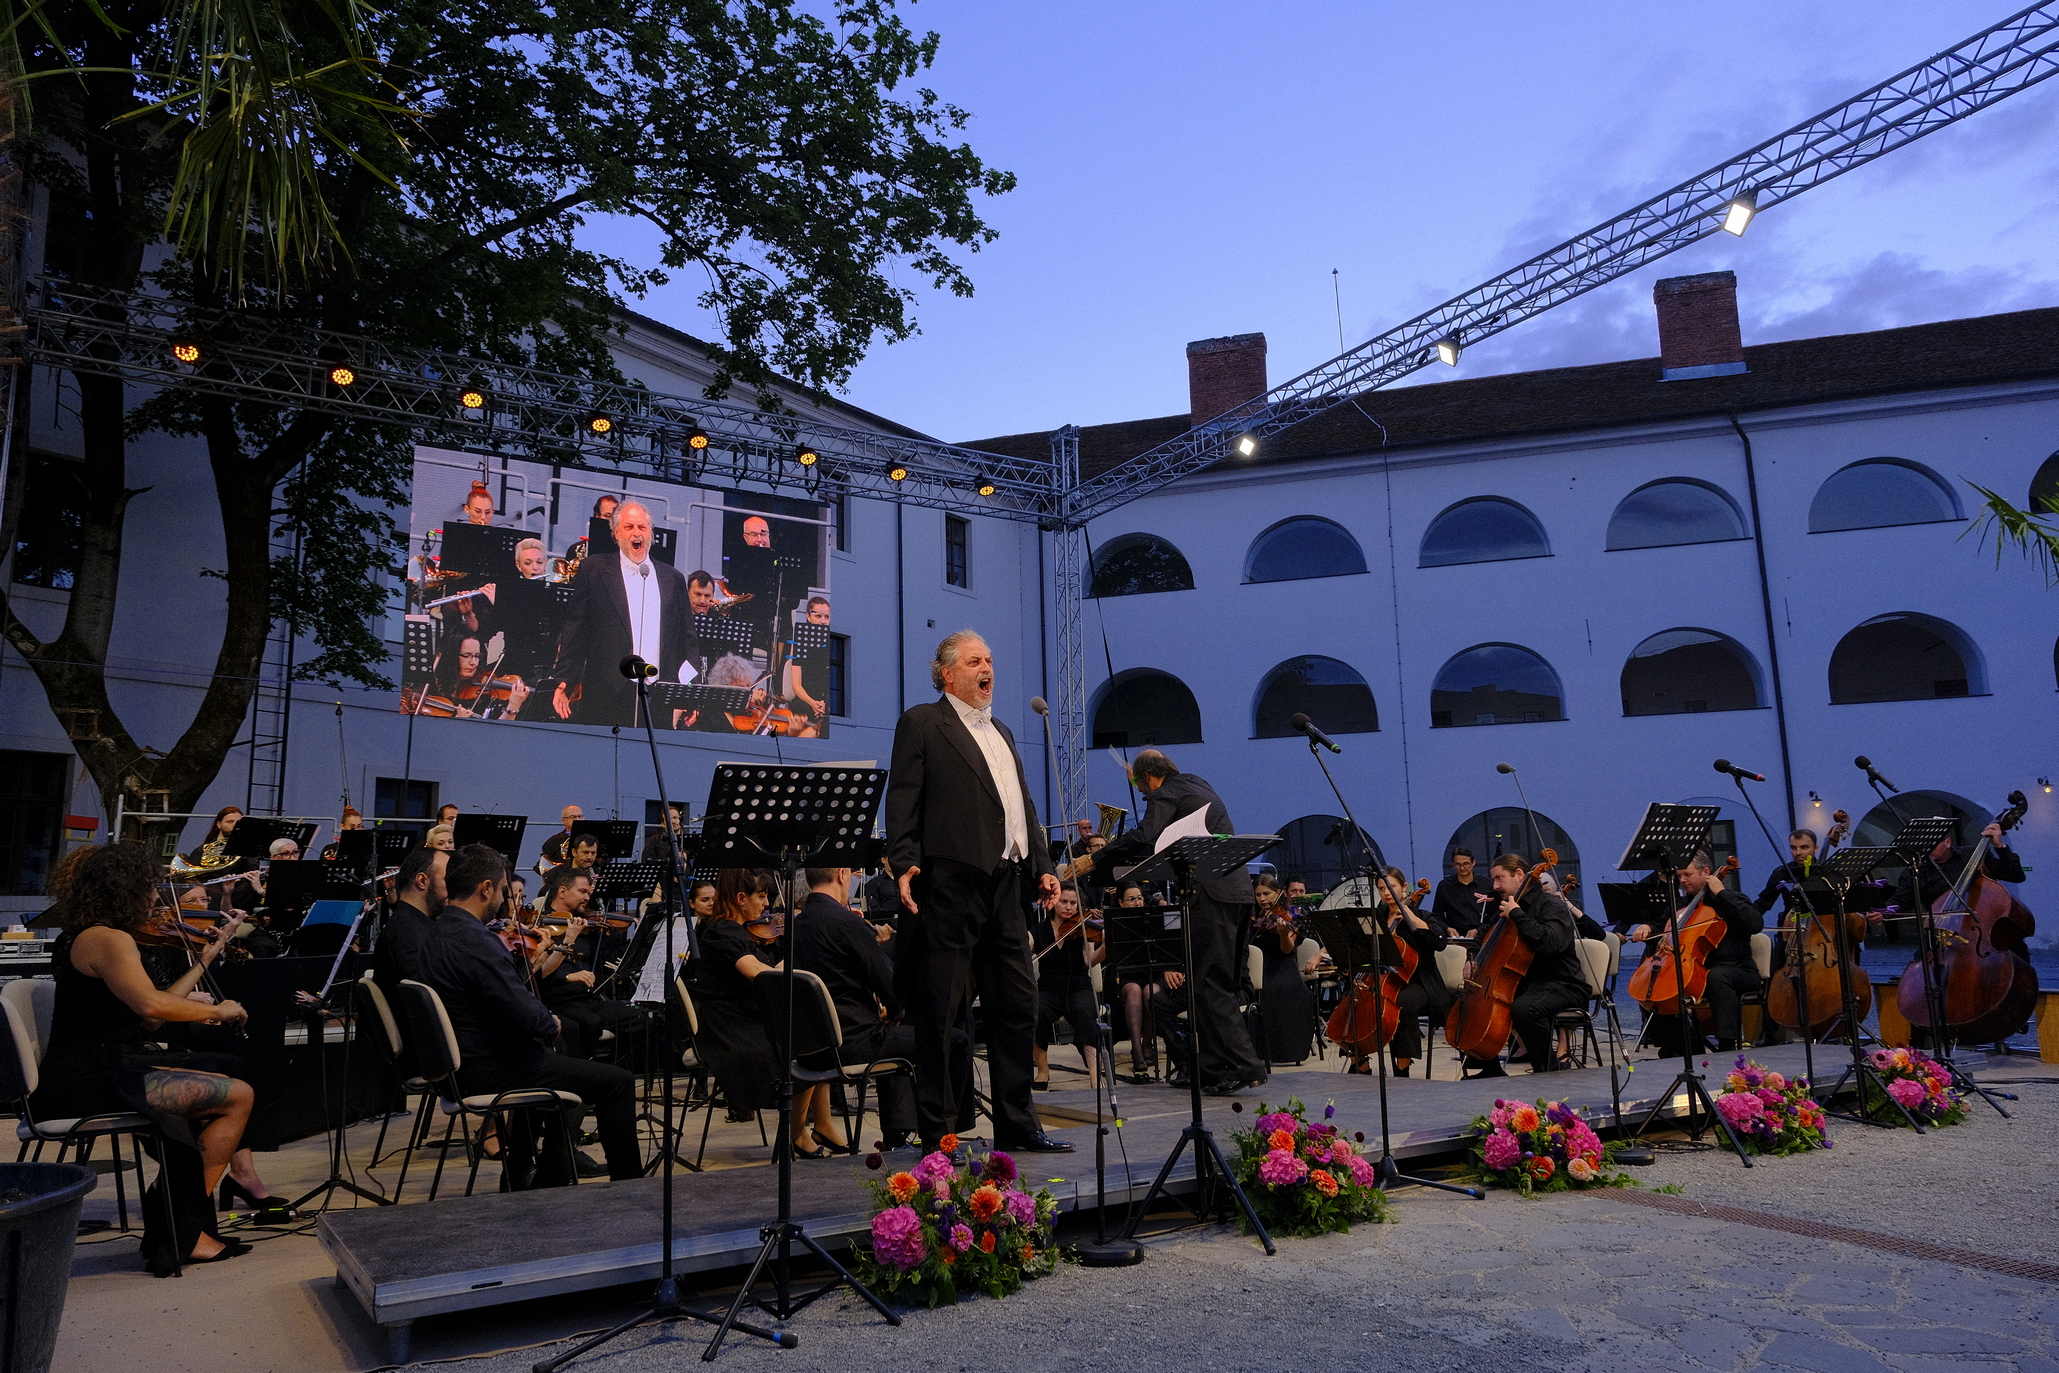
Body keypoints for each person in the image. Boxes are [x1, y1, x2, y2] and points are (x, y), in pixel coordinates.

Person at [884, 630, 1070, 1155]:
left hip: (1007, 887)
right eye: (974, 662)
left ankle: (1018, 1124)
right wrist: (904, 863)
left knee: (1017, 1005)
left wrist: (1043, 865)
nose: (986, 669)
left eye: (989, 659)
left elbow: (1022, 807)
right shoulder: (923, 722)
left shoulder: (1004, 730)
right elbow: (903, 800)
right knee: (942, 1011)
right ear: (948, 674)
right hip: (949, 883)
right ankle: (938, 1132)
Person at [31, 844, 257, 1275]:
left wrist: (203, 960)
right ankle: (182, 1225)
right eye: (151, 887)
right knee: (237, 1094)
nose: (157, 897)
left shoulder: (103, 936)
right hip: (86, 1077)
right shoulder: (106, 939)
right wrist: (218, 1010)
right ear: (126, 889)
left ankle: (180, 1219)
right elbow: (153, 1007)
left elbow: (148, 1019)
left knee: (229, 1077)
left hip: (107, 1065)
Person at [413, 844, 642, 1184]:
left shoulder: (438, 932)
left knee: (559, 1059)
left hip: (462, 1064)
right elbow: (525, 1015)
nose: (506, 902)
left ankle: (533, 1173)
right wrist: (551, 1021)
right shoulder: (475, 940)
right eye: (504, 892)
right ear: (486, 888)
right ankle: (628, 1190)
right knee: (617, 1083)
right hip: (487, 1068)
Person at [1082, 749, 1268, 1097]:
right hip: (1238, 892)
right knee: (1207, 985)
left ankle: (1247, 1065)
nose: (1145, 795)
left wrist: (1096, 859)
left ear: (1151, 778)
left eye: (1143, 789)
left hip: (1210, 894)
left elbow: (1145, 836)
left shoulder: (1166, 791)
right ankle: (1212, 1070)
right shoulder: (1197, 783)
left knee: (1208, 985)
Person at [789, 865, 920, 1151]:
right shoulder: (848, 923)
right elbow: (890, 984)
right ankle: (942, 1138)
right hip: (852, 1046)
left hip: (809, 1050)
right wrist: (896, 1013)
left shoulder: (794, 925)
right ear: (841, 875)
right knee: (946, 1040)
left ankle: (898, 1135)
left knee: (895, 1036)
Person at [550, 500, 693, 725]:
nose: (637, 533)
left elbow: (686, 640)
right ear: (616, 533)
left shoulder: (673, 579)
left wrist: (688, 693)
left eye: (642, 527)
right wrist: (564, 680)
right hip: (606, 692)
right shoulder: (594, 570)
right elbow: (575, 631)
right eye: (629, 527)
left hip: (657, 695)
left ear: (651, 534)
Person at [1464, 854, 1588, 1077]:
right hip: (1526, 983)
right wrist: (1472, 958)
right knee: (1470, 1002)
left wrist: (1518, 915)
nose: (1495, 886)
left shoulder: (1551, 906)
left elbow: (1551, 943)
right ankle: (1489, 1068)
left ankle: (1547, 1069)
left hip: (1562, 983)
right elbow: (1483, 934)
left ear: (1519, 874)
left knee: (1525, 1009)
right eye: (1494, 880)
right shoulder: (1507, 906)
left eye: (1500, 878)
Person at [1627, 855, 1764, 1055]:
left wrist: (1722, 893)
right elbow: (1662, 925)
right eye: (1679, 875)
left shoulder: (1732, 898)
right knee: (1661, 984)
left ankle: (1727, 1046)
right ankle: (1680, 1046)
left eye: (1687, 874)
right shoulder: (1682, 905)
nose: (1682, 880)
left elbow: (1755, 923)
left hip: (1738, 971)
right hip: (1696, 971)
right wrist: (1647, 927)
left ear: (1706, 873)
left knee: (1717, 976)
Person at [689, 870, 787, 1128]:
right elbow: (754, 971)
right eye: (762, 896)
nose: (767, 904)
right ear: (741, 898)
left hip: (741, 1017)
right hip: (728, 1026)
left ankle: (813, 1128)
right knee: (803, 1047)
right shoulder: (723, 932)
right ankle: (802, 1131)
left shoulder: (734, 930)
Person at [532, 868, 650, 1066]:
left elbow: (605, 958)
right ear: (562, 891)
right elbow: (539, 973)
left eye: (589, 893)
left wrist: (637, 941)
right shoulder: (542, 924)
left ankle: (614, 1070)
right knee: (589, 1023)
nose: (587, 897)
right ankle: (587, 1070)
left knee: (641, 1021)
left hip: (587, 998)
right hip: (557, 999)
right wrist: (569, 975)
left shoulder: (587, 924)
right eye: (582, 892)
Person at [1368, 868, 1452, 1078]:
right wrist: (1387, 927)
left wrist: (1414, 921)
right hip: (1388, 980)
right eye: (1381, 888)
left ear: (1404, 888)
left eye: (1391, 887)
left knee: (1402, 1006)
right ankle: (1359, 1062)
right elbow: (1369, 951)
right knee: (1356, 1000)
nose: (1386, 893)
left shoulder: (1423, 915)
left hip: (1421, 983)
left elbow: (1440, 942)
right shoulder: (1378, 917)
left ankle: (1402, 1069)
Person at [1103, 881, 1179, 1082]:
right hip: (1127, 974)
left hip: (1153, 973)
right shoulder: (1116, 922)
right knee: (1135, 991)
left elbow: (1167, 949)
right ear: (1120, 902)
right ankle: (1137, 1048)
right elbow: (1112, 958)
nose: (1138, 902)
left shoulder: (1152, 919)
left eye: (1139, 898)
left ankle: (1148, 1043)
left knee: (1150, 992)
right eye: (1132, 899)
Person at [1029, 885, 1103, 1089]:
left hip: (1079, 987)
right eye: (1064, 902)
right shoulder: (1040, 929)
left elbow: (1089, 960)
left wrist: (1106, 947)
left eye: (1073, 903)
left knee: (1085, 1013)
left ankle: (1095, 1077)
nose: (1069, 907)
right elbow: (1026, 943)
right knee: (1038, 1011)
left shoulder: (1082, 928)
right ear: (1054, 902)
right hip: (1049, 989)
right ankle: (1043, 1071)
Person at [1250, 875, 1316, 1067]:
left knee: (1284, 988)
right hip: (1257, 967)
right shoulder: (1254, 915)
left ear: (1278, 893)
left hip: (1282, 965)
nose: (1262, 899)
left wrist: (1282, 934)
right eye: (1258, 894)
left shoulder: (1292, 915)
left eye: (1267, 894)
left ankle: (1288, 1050)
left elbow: (1287, 950)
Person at [1432, 848, 1493, 937]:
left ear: (1473, 863)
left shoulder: (1487, 884)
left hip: (1482, 935)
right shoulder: (1444, 886)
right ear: (1453, 865)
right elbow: (1437, 915)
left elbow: (1494, 915)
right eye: (1458, 864)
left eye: (1466, 864)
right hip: (1455, 936)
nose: (1462, 868)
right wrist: (1447, 929)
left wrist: (1479, 930)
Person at [537, 805, 583, 876]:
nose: (578, 819)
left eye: (580, 816)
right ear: (563, 821)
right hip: (562, 878)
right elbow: (541, 864)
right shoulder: (554, 841)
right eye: (573, 817)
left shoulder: (591, 839)